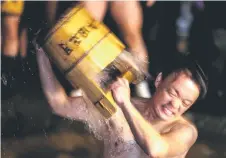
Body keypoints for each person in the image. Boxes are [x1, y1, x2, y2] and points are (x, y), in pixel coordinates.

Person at [36, 43, 208, 158]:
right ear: (158, 81)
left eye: (185, 103)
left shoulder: (185, 131)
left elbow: (156, 150)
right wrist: (42, 55)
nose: (175, 105)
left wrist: (125, 103)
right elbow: (60, 105)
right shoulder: (120, 106)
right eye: (173, 93)